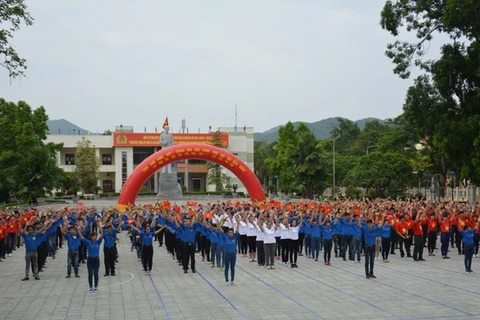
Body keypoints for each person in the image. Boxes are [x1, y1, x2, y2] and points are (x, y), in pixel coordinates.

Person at [20, 216, 59, 281]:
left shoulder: (35, 235)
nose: (30, 231)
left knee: (35, 264)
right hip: (28, 252)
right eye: (29, 230)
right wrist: (26, 225)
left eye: (32, 230)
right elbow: (23, 232)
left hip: (34, 252)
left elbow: (42, 229)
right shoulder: (26, 236)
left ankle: (36, 275)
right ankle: (26, 276)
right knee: (27, 265)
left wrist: (46, 224)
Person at [78, 221, 104, 293]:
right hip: (90, 260)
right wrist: (78, 230)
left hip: (96, 260)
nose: (94, 237)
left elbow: (102, 235)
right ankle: (90, 287)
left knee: (96, 273)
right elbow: (81, 237)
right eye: (93, 236)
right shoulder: (88, 242)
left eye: (95, 236)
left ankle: (95, 287)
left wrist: (100, 227)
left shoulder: (98, 242)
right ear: (91, 237)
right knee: (90, 274)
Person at [218, 216, 240, 285]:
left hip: (233, 255)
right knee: (226, 268)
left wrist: (238, 223)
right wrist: (219, 225)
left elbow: (237, 231)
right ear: (228, 233)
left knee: (232, 268)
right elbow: (221, 231)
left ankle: (232, 280)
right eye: (229, 232)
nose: (230, 234)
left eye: (231, 233)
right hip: (227, 254)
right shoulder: (225, 237)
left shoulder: (234, 237)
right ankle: (227, 280)